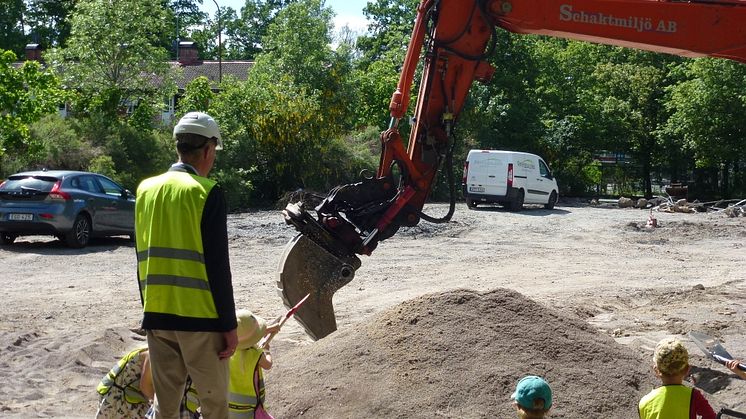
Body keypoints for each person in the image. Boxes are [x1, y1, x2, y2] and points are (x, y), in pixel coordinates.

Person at [136, 111, 237, 419]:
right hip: (201, 320)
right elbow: (218, 265)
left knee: (165, 407)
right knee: (215, 405)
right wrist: (229, 326)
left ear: (177, 146)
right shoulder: (206, 192)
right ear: (208, 150)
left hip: (157, 315)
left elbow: (142, 255)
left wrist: (148, 311)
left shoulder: (146, 189)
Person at [96, 347, 199, 419]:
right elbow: (145, 386)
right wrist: (162, 407)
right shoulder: (153, 354)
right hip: (117, 396)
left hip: (133, 396)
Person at [639, 337, 716, 419]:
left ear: (656, 370)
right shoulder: (694, 396)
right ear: (687, 369)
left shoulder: (645, 402)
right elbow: (711, 417)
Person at [95, 346, 152, 418]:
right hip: (117, 397)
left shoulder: (151, 351)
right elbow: (145, 387)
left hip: (126, 395)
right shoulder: (151, 356)